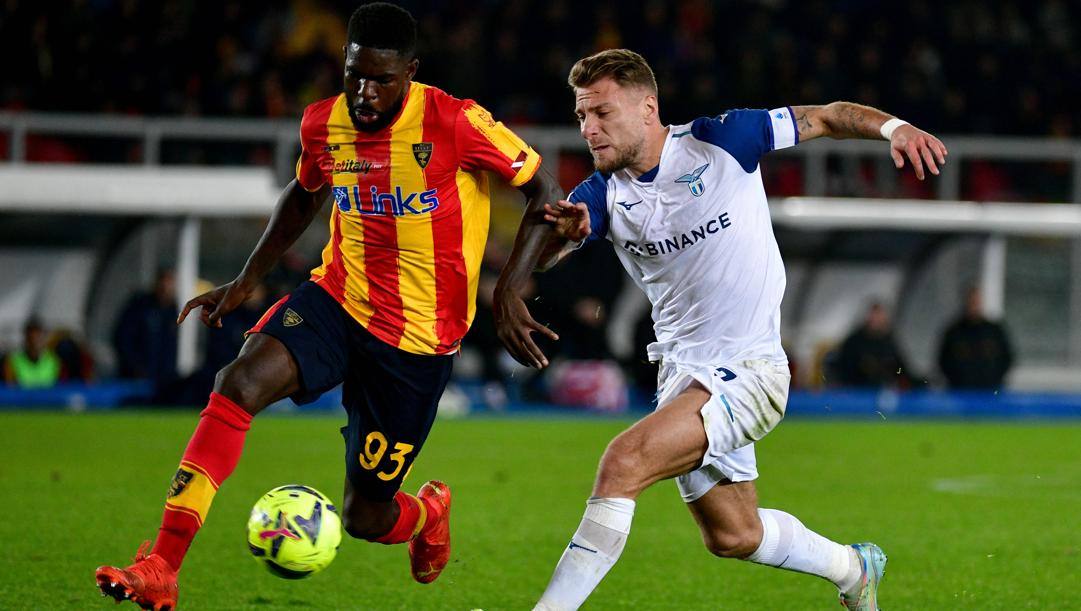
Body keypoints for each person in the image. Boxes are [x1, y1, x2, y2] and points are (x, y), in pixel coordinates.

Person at [94, 4, 559, 609]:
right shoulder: (324, 123)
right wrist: (245, 279)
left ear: (410, 73)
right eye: (354, 74)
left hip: (417, 342)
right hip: (339, 299)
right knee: (236, 384)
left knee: (365, 516)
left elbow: (543, 191)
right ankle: (162, 563)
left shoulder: (455, 121)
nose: (365, 93)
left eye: (382, 79)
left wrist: (509, 290)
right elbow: (304, 194)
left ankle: (425, 518)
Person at [494, 49, 948, 610]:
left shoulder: (723, 140)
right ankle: (854, 569)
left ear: (646, 109)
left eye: (602, 113)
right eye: (582, 115)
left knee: (623, 461)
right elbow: (554, 244)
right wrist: (553, 247)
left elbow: (828, 116)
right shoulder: (603, 193)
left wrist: (895, 128)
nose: (588, 128)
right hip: (682, 376)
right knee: (734, 536)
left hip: (751, 370)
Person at [938, 286, 1013, 388]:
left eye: (976, 302)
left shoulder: (994, 331)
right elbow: (943, 361)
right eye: (971, 302)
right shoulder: (954, 332)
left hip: (990, 391)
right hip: (960, 392)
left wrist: (995, 381)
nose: (974, 306)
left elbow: (1007, 358)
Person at [832, 301, 913, 388]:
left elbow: (900, 369)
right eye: (873, 316)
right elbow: (843, 369)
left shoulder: (890, 343)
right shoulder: (854, 342)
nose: (875, 319)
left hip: (883, 392)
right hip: (856, 391)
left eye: (879, 316)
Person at [2, 318, 60, 388]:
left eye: (38, 338)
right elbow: (10, 390)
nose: (34, 343)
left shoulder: (55, 361)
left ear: (44, 339)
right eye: (31, 338)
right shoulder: (12, 362)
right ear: (25, 339)